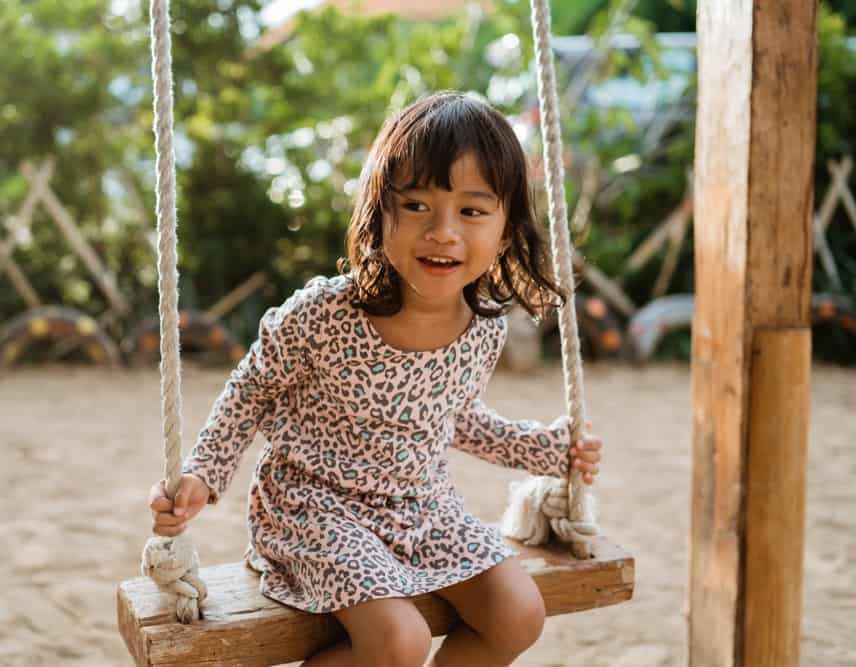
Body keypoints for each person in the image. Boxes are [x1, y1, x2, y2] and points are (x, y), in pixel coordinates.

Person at [148, 91, 604, 667]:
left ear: (506, 228)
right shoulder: (325, 313)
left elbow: (453, 418)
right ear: (378, 211)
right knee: (399, 641)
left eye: (471, 210)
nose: (443, 231)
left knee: (519, 613)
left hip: (421, 505)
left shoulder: (482, 328)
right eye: (416, 206)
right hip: (314, 509)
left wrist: (540, 448)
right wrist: (202, 474)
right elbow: (250, 391)